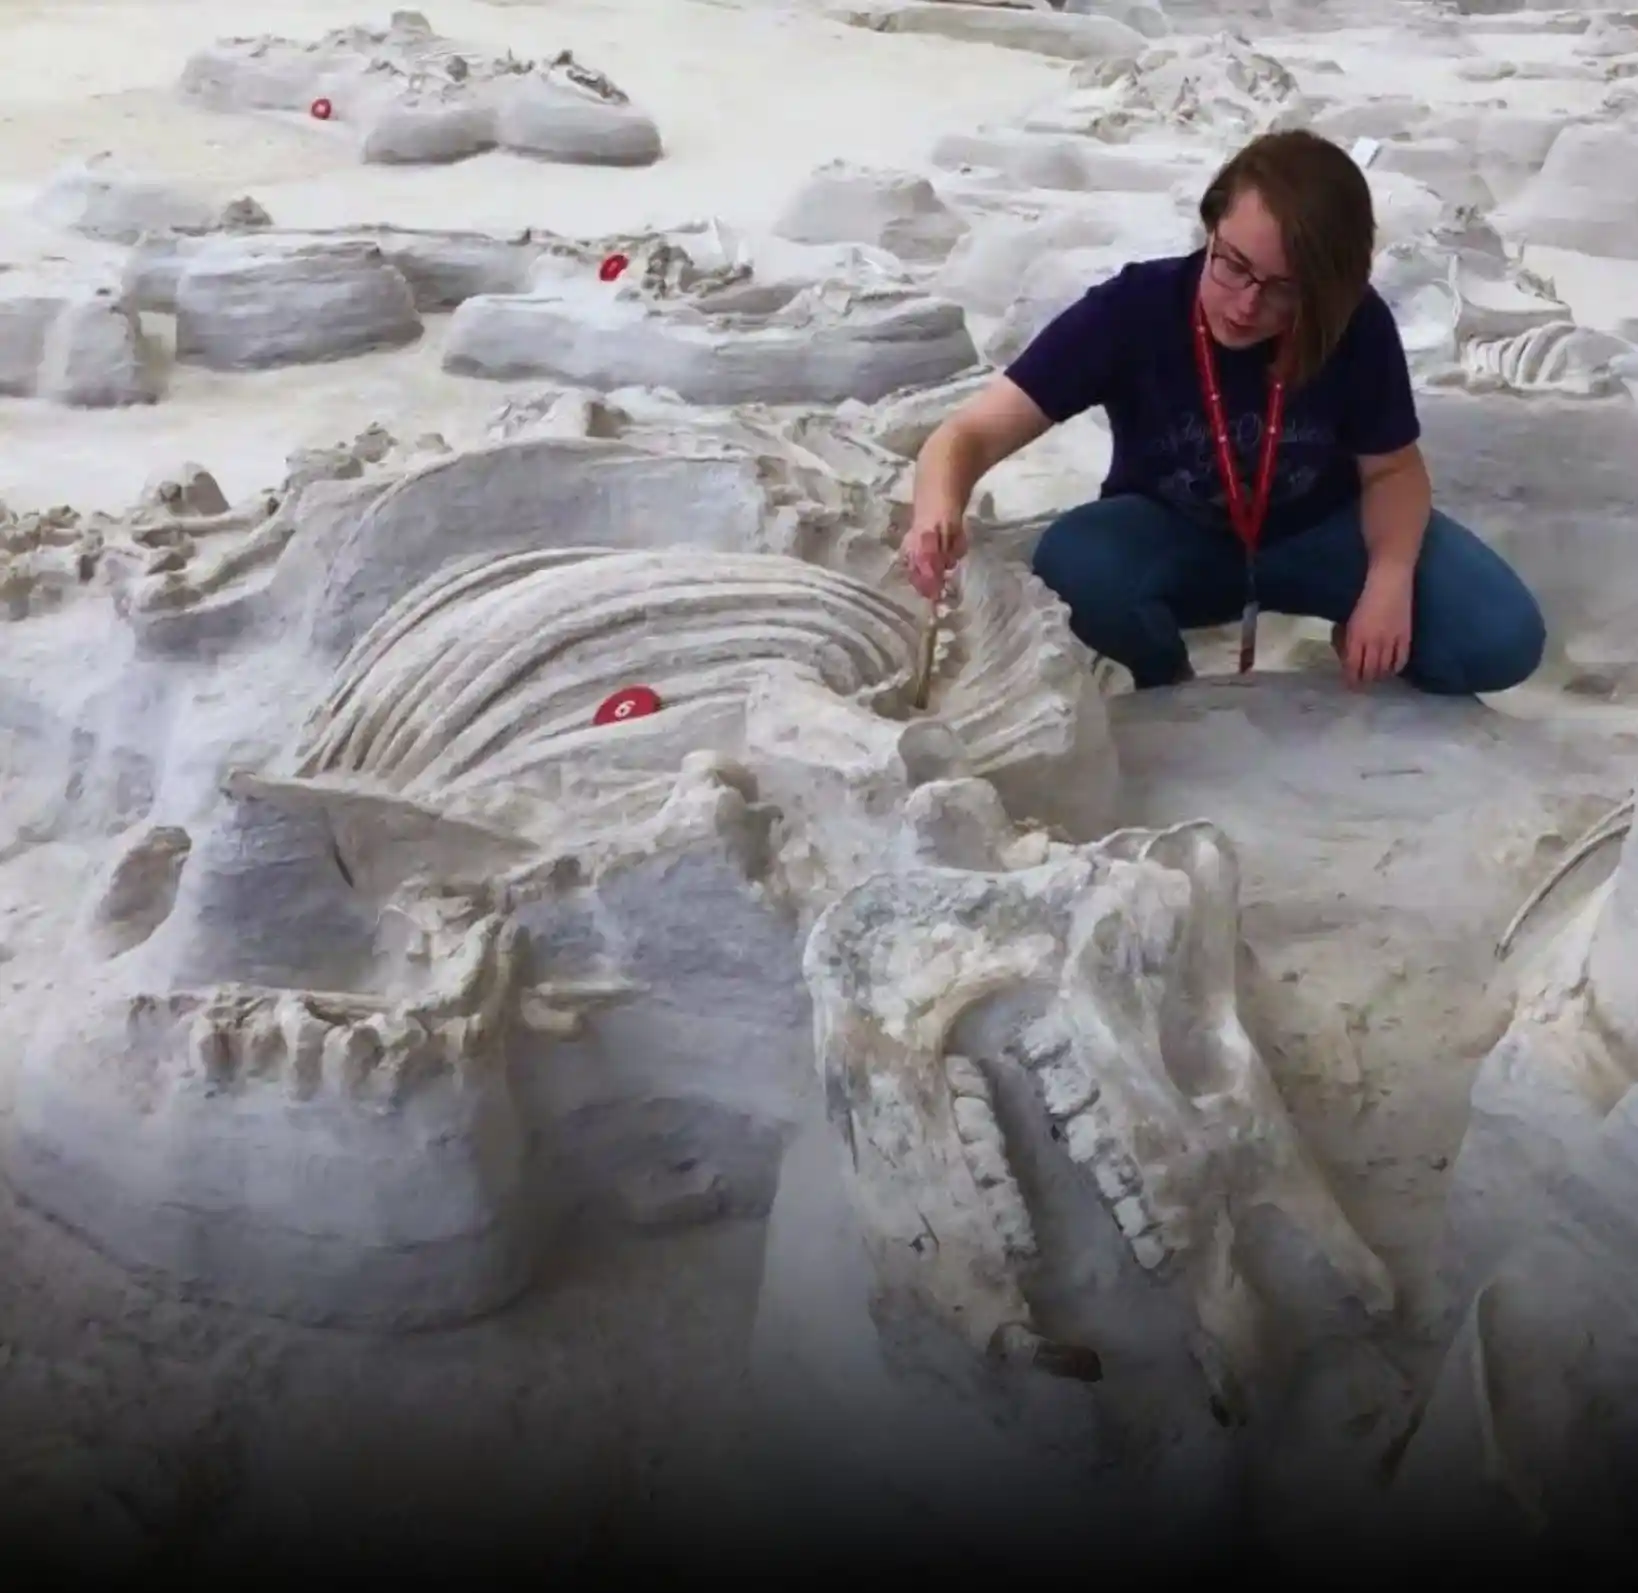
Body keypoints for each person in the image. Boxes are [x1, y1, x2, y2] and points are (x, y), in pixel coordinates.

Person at [900, 128, 1547, 695]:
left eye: (1283, 290)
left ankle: (1356, 641)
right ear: (1210, 227)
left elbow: (1393, 471)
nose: (1245, 304)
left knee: (1502, 637)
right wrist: (936, 510)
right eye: (1233, 266)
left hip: (1321, 532)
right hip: (1179, 534)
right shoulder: (1132, 310)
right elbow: (969, 434)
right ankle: (1167, 681)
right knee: (1077, 564)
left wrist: (1388, 581)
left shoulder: (1354, 323)